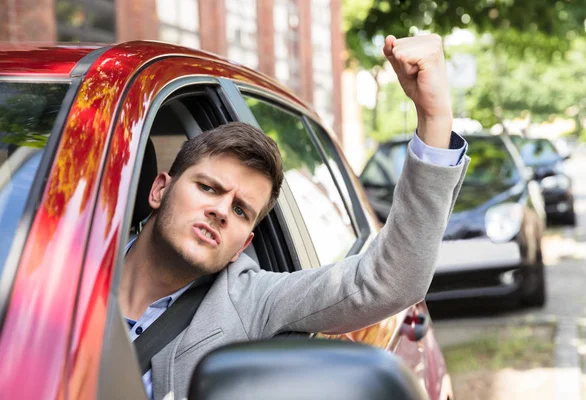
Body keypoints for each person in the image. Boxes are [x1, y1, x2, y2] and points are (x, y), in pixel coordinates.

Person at [120, 34, 469, 400]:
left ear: (244, 244)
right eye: (208, 188)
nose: (221, 211)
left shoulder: (252, 301)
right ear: (160, 189)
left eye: (241, 211)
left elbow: (389, 281)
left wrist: (434, 118)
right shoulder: (66, 270)